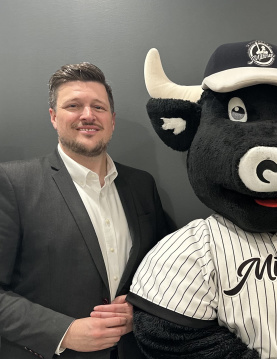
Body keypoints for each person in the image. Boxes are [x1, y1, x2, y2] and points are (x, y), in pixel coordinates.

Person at [0, 63, 169, 358]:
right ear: (54, 117)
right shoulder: (13, 184)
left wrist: (140, 308)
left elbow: (165, 268)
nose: (88, 115)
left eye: (99, 107)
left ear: (112, 120)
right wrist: (62, 332)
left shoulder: (142, 185)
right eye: (73, 105)